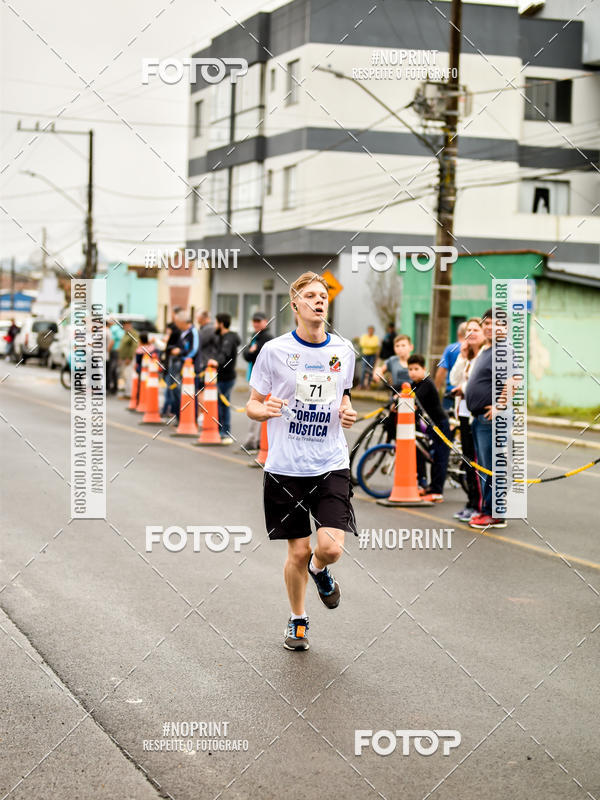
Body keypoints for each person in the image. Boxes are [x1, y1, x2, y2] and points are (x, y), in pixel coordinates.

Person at [246, 271, 358, 652]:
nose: (319, 300)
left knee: (328, 548)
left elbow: (343, 397)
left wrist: (347, 410)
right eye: (310, 295)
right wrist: (265, 410)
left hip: (329, 461)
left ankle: (320, 571)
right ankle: (298, 620)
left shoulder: (343, 351)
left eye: (323, 295)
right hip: (285, 466)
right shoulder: (273, 351)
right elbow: (251, 404)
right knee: (297, 549)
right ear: (295, 304)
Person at [465, 308, 511, 529]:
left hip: (490, 418)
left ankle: (495, 513)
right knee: (484, 466)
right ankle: (486, 510)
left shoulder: (504, 349)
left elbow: (514, 379)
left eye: (495, 324)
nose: (490, 327)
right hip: (479, 418)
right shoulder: (487, 350)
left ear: (506, 328)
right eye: (487, 324)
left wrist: (500, 406)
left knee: (492, 465)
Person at [449, 318, 487, 522]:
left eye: (476, 329)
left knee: (477, 462)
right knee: (468, 461)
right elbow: (454, 379)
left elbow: (474, 383)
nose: (471, 333)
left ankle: (480, 505)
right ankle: (472, 502)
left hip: (476, 416)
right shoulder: (468, 356)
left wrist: (463, 389)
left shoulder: (484, 355)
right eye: (468, 330)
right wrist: (463, 357)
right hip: (463, 415)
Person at [407, 354, 450, 502]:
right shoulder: (415, 384)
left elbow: (413, 401)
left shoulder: (427, 384)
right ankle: (431, 487)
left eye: (416, 369)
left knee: (440, 458)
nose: (413, 372)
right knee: (432, 457)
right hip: (430, 426)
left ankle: (437, 492)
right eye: (410, 369)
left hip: (440, 424)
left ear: (424, 369)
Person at [241, 312, 273, 452]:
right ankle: (256, 440)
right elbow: (246, 354)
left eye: (258, 321)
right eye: (254, 321)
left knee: (257, 408)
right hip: (253, 377)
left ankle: (255, 441)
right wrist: (251, 351)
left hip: (263, 381)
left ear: (265, 322)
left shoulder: (267, 338)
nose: (255, 324)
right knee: (255, 408)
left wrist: (252, 351)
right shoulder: (255, 336)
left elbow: (258, 355)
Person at [208, 313, 241, 445]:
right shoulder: (221, 337)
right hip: (221, 376)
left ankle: (224, 432)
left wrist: (216, 362)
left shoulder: (229, 339)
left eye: (216, 323)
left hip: (226, 376)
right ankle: (220, 430)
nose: (214, 326)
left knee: (224, 404)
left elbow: (225, 355)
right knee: (220, 404)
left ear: (221, 324)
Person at [171, 312, 201, 420]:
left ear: (183, 322)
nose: (177, 325)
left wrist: (181, 353)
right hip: (182, 366)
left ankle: (192, 418)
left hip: (191, 368)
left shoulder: (193, 332)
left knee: (191, 393)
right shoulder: (183, 332)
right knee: (179, 392)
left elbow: (194, 350)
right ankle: (181, 417)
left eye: (178, 323)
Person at [435, 322, 467, 412]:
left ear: (458, 333)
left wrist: (436, 390)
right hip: (467, 393)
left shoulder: (450, 349)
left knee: (448, 422)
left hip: (451, 392)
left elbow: (441, 370)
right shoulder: (475, 348)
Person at [161, 308, 182, 418]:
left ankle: (170, 409)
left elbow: (179, 346)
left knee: (172, 387)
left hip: (175, 361)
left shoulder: (179, 330)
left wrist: (173, 349)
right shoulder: (175, 328)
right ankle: (168, 409)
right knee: (170, 386)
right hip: (170, 360)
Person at [117, 320, 139, 398]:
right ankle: (126, 393)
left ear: (130, 325)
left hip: (129, 359)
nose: (125, 327)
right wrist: (120, 357)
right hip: (123, 358)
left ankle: (129, 394)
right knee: (125, 376)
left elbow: (134, 347)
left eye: (127, 325)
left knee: (129, 376)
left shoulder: (133, 334)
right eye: (124, 325)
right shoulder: (126, 334)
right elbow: (123, 346)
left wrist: (129, 358)